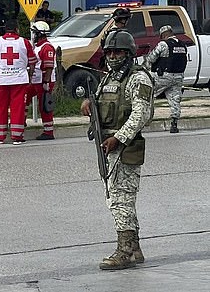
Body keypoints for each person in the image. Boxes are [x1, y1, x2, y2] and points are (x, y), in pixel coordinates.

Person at [80, 30, 153, 270]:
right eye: (109, 52)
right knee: (120, 199)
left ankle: (125, 251)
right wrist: (90, 103)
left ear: (128, 53)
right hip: (107, 145)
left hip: (125, 147)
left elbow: (141, 114)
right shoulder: (109, 78)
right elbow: (103, 101)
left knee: (120, 200)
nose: (112, 56)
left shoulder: (138, 78)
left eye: (117, 51)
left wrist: (119, 139)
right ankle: (135, 248)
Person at [0, 18, 36, 144]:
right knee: (18, 107)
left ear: (5, 30)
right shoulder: (25, 42)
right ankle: (17, 137)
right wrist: (29, 75)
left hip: (1, 80)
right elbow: (33, 62)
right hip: (19, 80)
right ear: (17, 29)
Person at [142, 25, 187, 133]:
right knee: (175, 100)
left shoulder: (163, 44)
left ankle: (143, 120)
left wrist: (145, 64)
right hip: (178, 76)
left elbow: (151, 58)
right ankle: (174, 124)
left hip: (163, 77)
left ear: (164, 35)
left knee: (148, 94)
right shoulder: (182, 45)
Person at [26, 21, 56, 140]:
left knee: (44, 106)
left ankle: (48, 132)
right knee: (24, 97)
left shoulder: (47, 47)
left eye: (34, 33)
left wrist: (46, 82)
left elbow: (48, 66)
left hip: (43, 81)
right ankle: (20, 122)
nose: (33, 35)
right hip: (35, 80)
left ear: (39, 34)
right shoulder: (37, 46)